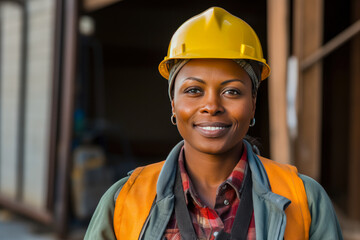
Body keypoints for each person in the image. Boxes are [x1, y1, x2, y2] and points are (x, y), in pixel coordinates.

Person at [85, 7, 343, 240]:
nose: (212, 105)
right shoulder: (124, 201)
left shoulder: (304, 199)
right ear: (173, 104)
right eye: (194, 90)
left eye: (231, 92)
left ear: (253, 104)